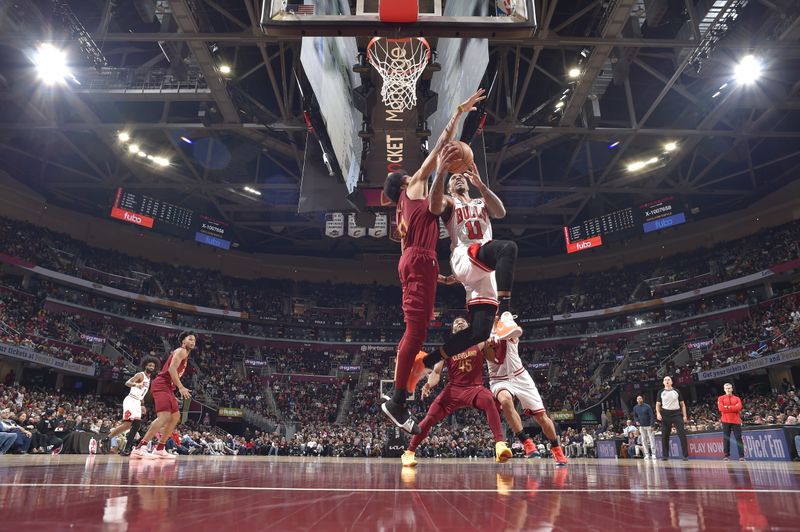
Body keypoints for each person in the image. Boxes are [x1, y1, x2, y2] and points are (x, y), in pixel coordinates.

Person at [380, 88, 487, 434]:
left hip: (417, 261)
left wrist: (430, 272)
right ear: (405, 182)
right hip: (418, 260)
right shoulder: (414, 189)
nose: (416, 172)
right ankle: (396, 402)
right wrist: (457, 114)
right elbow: (441, 146)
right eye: (412, 173)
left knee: (419, 328)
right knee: (415, 331)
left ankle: (400, 395)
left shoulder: (405, 207)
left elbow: (404, 248)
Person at [409, 146, 524, 389]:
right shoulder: (450, 202)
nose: (458, 178)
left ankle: (425, 361)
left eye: (461, 176)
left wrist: (481, 184)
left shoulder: (481, 200)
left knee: (480, 333)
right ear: (450, 187)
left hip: (484, 270)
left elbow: (501, 212)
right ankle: (505, 314)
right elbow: (433, 205)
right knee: (508, 248)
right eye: (454, 178)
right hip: (466, 253)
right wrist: (441, 173)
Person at [402, 317, 512, 467]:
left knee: (488, 400)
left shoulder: (479, 342)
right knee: (429, 418)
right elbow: (436, 372)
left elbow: (496, 359)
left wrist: (500, 341)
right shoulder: (447, 348)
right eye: (456, 322)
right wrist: (428, 384)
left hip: (474, 388)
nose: (459, 322)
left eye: (463, 321)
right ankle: (409, 452)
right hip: (453, 389)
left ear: (468, 326)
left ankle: (500, 445)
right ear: (453, 330)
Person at [487, 337, 568, 466]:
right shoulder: (481, 333)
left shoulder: (507, 321)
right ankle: (526, 442)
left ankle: (556, 449)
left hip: (520, 376)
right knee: (506, 400)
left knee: (542, 417)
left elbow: (516, 329)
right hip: (499, 379)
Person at [130, 332, 194, 459]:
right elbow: (171, 369)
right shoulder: (181, 351)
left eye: (194, 340)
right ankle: (140, 448)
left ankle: (160, 448)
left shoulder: (185, 354)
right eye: (190, 339)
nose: (193, 342)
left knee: (175, 417)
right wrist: (180, 387)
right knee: (164, 417)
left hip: (168, 388)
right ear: (183, 341)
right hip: (161, 385)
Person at [103, 356, 159, 455]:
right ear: (145, 365)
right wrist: (136, 385)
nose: (151, 367)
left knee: (136, 425)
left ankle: (127, 449)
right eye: (149, 365)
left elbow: (142, 393)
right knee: (126, 425)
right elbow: (127, 382)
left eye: (153, 366)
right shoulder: (140, 375)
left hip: (137, 402)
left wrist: (142, 405)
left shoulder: (149, 378)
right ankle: (106, 439)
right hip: (131, 400)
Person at [656, 376, 689, 461]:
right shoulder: (661, 392)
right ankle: (665, 455)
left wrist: (685, 415)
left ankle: (685, 455)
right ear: (663, 382)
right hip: (665, 414)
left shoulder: (676, 391)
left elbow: (682, 404)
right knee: (665, 436)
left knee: (682, 434)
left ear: (671, 382)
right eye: (665, 380)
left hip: (677, 414)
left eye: (668, 380)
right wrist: (658, 413)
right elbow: (658, 405)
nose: (667, 381)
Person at [717, 382, 745, 461]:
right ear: (724, 389)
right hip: (725, 420)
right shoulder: (720, 398)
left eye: (729, 388)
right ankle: (726, 455)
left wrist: (727, 407)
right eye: (726, 388)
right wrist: (733, 407)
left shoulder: (737, 398)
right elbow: (721, 409)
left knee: (738, 438)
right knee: (726, 438)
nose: (728, 390)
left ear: (732, 389)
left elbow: (739, 407)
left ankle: (741, 456)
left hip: (736, 421)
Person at [633, 395, 656, 460]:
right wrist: (636, 421)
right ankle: (647, 454)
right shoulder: (635, 408)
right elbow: (635, 416)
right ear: (637, 400)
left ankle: (653, 454)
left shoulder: (647, 406)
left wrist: (652, 425)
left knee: (651, 440)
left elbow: (652, 416)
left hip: (649, 426)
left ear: (642, 399)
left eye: (640, 399)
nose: (639, 400)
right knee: (643, 440)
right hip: (641, 426)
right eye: (638, 399)